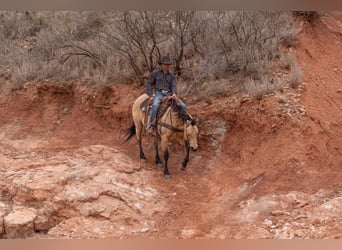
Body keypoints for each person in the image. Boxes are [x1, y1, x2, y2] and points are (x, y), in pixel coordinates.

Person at [146, 55, 186, 133]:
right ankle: (150, 124)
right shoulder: (155, 73)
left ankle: (184, 124)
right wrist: (150, 95)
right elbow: (149, 83)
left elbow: (173, 85)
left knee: (183, 106)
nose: (166, 66)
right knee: (155, 105)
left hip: (169, 94)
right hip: (159, 94)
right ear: (161, 65)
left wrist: (174, 93)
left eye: (168, 64)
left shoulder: (172, 76)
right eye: (164, 64)